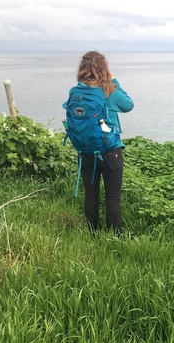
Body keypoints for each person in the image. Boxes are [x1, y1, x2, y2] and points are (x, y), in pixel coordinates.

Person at [74, 51, 134, 234]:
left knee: (91, 196)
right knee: (113, 197)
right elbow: (128, 105)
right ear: (104, 68)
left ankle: (93, 233)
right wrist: (114, 80)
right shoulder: (110, 91)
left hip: (85, 151)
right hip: (110, 152)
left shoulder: (77, 92)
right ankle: (115, 236)